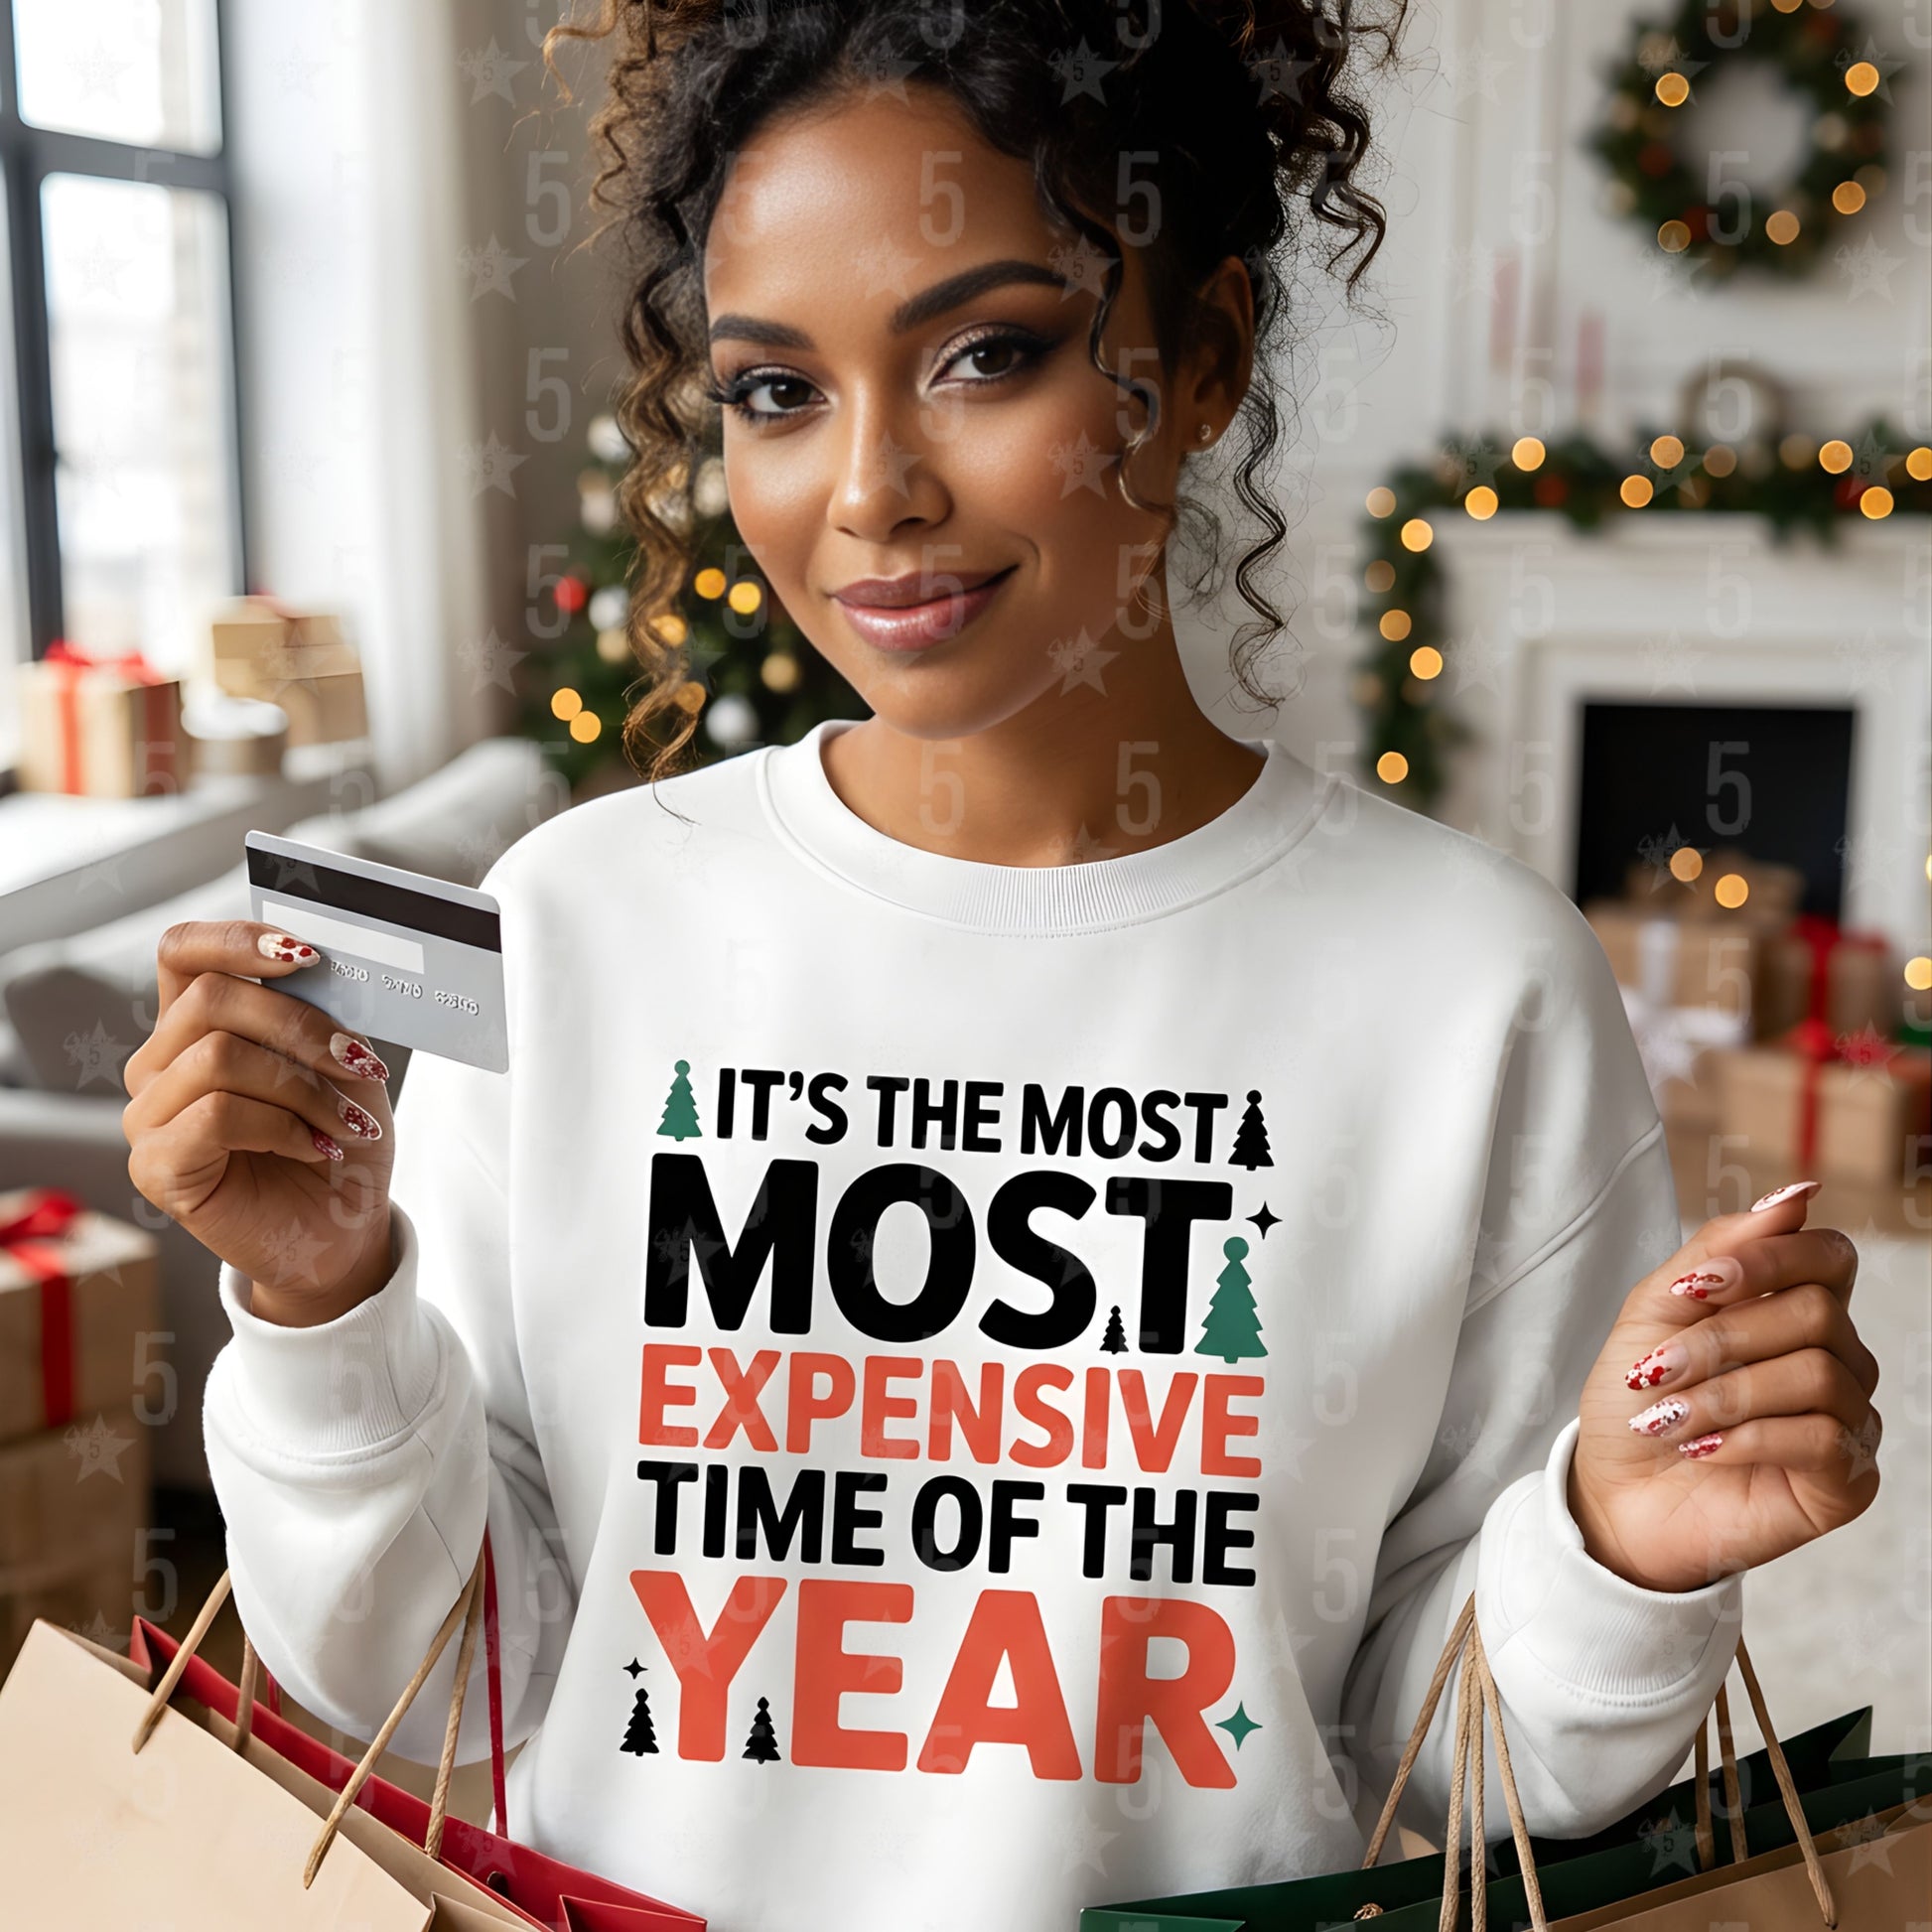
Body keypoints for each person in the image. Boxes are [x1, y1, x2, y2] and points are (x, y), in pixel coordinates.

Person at [122, 3, 1883, 1926]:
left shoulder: (1472, 985)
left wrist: (1619, 1548)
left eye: (987, 355)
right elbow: (441, 1703)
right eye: (777, 390)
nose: (871, 488)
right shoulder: (579, 925)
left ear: (1198, 359)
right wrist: (320, 1304)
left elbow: (1450, 1773)